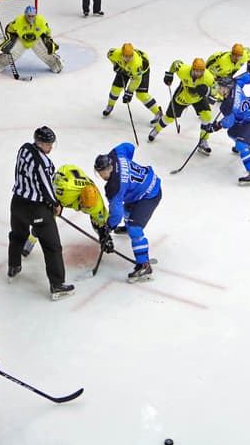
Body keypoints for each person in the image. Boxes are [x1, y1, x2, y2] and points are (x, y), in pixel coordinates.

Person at [7, 126, 74, 300]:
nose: (50, 147)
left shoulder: (24, 149)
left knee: (17, 235)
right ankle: (57, 284)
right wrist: (56, 204)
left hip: (17, 202)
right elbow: (45, 187)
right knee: (52, 246)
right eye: (48, 144)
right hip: (35, 207)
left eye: (52, 143)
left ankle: (13, 266)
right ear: (39, 142)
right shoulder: (43, 162)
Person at [94, 144, 162, 282]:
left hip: (150, 195)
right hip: (142, 186)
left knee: (135, 229)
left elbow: (116, 215)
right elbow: (129, 147)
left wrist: (109, 226)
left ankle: (144, 266)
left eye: (101, 173)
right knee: (127, 209)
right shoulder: (115, 155)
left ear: (107, 170)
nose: (101, 176)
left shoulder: (114, 186)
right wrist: (127, 168)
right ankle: (128, 224)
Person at [22, 163, 112, 258]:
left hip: (75, 182)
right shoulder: (65, 191)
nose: (85, 209)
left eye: (88, 208)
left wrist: (105, 237)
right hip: (66, 174)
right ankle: (31, 239)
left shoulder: (97, 205)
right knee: (45, 220)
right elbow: (47, 191)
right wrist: (56, 204)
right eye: (84, 205)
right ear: (80, 197)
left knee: (98, 221)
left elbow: (101, 221)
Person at [148, 57, 217, 155]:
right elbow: (176, 63)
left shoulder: (208, 77)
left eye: (201, 71)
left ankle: (203, 141)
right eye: (196, 71)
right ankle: (156, 129)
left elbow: (216, 89)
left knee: (207, 116)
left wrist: (207, 91)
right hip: (182, 97)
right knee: (169, 119)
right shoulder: (184, 70)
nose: (198, 74)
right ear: (192, 68)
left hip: (198, 99)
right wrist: (169, 74)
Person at [208, 73, 250, 186]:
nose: (218, 89)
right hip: (247, 117)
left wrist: (215, 126)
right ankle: (243, 147)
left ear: (226, 89)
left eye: (220, 87)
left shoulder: (227, 105)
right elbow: (248, 77)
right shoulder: (235, 84)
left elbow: (228, 122)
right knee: (232, 132)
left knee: (241, 145)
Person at [101, 42, 163, 123]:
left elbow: (136, 79)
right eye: (126, 56)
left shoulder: (136, 64)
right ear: (121, 54)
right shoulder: (115, 53)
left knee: (141, 94)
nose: (128, 58)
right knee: (115, 88)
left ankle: (158, 113)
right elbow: (109, 54)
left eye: (130, 56)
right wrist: (115, 65)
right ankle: (110, 105)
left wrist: (129, 92)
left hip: (142, 72)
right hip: (124, 69)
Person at [0, 5, 63, 75]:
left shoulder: (41, 21)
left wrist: (48, 40)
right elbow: (9, 29)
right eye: (29, 16)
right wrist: (10, 40)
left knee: (45, 53)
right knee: (13, 54)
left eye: (33, 16)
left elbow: (47, 32)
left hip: (36, 40)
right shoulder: (18, 21)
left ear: (35, 15)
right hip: (21, 40)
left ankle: (56, 64)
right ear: (25, 15)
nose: (31, 18)